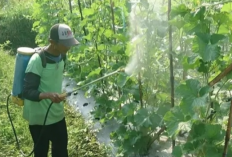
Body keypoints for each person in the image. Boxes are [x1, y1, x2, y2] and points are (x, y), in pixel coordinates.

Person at [22, 23, 79, 157]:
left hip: (56, 114)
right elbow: (28, 91)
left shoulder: (62, 56)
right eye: (66, 43)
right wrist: (48, 95)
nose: (69, 47)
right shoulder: (37, 60)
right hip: (39, 117)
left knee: (61, 151)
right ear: (52, 42)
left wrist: (57, 95)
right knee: (41, 151)